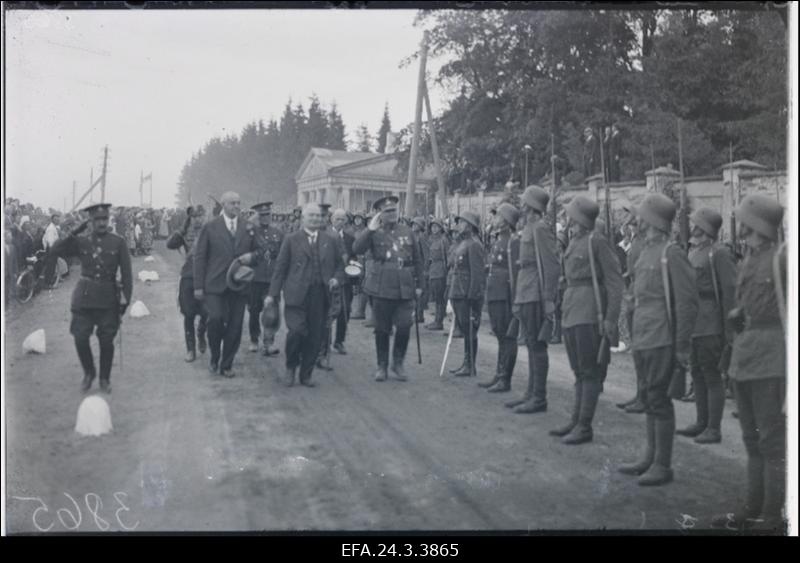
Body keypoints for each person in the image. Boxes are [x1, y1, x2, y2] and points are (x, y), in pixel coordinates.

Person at [712, 195, 786, 532]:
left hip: (772, 359)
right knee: (751, 439)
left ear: (754, 224)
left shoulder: (781, 260)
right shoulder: (748, 260)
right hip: (745, 357)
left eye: (742, 218)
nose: (736, 222)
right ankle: (751, 506)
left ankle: (772, 514)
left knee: (771, 441)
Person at [617, 193, 697, 486]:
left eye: (640, 216)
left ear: (651, 220)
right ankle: (649, 456)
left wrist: (682, 347)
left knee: (660, 400)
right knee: (650, 397)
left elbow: (687, 303)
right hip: (644, 334)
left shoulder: (671, 253)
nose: (635, 220)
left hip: (663, 336)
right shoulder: (646, 251)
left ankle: (662, 465)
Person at [549, 196, 623, 444]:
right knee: (578, 370)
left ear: (579, 218)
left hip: (590, 311)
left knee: (589, 371)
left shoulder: (597, 241)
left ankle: (584, 426)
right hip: (572, 308)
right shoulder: (575, 241)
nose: (567, 218)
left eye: (571, 215)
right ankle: (576, 419)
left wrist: (611, 319)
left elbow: (614, 283)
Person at [50, 203, 132, 393]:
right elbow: (55, 250)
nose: (101, 223)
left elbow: (127, 275)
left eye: (104, 219)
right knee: (79, 337)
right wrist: (76, 230)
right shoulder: (82, 241)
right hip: (84, 298)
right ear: (91, 221)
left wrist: (125, 301)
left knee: (106, 341)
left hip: (108, 299)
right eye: (97, 220)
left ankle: (104, 378)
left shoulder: (118, 242)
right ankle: (89, 373)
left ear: (109, 219)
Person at [266, 203, 344, 388]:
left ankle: (306, 374)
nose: (316, 219)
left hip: (320, 295)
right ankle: (291, 368)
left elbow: (341, 265)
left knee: (315, 336)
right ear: (303, 218)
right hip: (296, 295)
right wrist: (273, 294)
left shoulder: (330, 240)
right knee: (296, 332)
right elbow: (280, 269)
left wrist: (336, 279)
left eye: (318, 216)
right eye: (312, 216)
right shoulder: (291, 239)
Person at [676, 208, 736, 444]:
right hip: (694, 321)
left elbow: (729, 292)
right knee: (698, 373)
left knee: (711, 375)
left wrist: (729, 330)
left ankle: (713, 427)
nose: (692, 228)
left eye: (696, 224)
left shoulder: (718, 253)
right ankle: (701, 422)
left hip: (711, 322)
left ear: (705, 228)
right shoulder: (694, 251)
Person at [353, 196, 423, 382]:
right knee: (382, 329)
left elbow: (417, 260)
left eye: (393, 210)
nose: (392, 214)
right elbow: (357, 249)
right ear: (379, 214)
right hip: (382, 287)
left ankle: (397, 363)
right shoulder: (374, 232)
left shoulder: (407, 232)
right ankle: (382, 365)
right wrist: (369, 229)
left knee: (404, 326)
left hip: (404, 287)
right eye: (387, 211)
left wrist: (420, 286)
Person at [193, 191, 260, 378]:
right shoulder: (210, 227)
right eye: (232, 203)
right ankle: (215, 356)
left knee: (236, 325)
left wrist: (252, 257)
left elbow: (261, 252)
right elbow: (199, 257)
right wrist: (198, 286)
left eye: (239, 203)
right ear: (223, 205)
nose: (237, 206)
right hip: (214, 285)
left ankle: (227, 363)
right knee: (215, 319)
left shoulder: (248, 227)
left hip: (239, 286)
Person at [505, 186, 560, 414]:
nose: (521, 203)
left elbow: (551, 265)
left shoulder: (540, 229)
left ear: (531, 205)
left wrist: (548, 299)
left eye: (524, 200)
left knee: (537, 345)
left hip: (536, 293)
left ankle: (539, 397)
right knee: (529, 343)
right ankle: (530, 393)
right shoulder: (528, 227)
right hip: (526, 290)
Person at [479, 203, 520, 392]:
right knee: (499, 334)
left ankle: (505, 378)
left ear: (506, 221)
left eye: (497, 216)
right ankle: (499, 373)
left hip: (505, 295)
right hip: (495, 292)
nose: (494, 220)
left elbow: (515, 273)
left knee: (507, 336)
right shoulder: (499, 240)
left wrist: (514, 300)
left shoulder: (513, 241)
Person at [166, 205, 208, 362]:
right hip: (188, 276)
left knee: (207, 312)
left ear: (204, 216)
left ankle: (201, 333)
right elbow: (170, 244)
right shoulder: (185, 233)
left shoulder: (210, 231)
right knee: (188, 313)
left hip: (206, 277)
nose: (197, 219)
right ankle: (190, 349)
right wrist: (182, 229)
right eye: (194, 217)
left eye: (200, 216)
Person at [447, 211, 486, 378]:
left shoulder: (474, 245)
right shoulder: (463, 243)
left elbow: (477, 274)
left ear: (470, 226)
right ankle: (466, 363)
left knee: (470, 330)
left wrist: (472, 296)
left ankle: (470, 365)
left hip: (466, 294)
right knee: (465, 328)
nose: (459, 225)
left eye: (462, 222)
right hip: (458, 291)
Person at [617, 203, 647, 412]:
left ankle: (644, 397)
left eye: (631, 218)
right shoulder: (635, 240)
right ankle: (640, 393)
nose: (628, 221)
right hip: (632, 295)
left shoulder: (645, 242)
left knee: (643, 351)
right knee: (637, 350)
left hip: (641, 297)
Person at [246, 202, 284, 356]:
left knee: (272, 312)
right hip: (255, 278)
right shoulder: (251, 233)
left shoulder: (278, 232)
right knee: (254, 311)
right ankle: (254, 339)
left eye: (267, 214)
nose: (265, 217)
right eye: (261, 215)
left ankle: (268, 343)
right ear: (257, 216)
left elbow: (283, 255)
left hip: (271, 279)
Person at [331, 208, 355, 355]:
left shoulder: (350, 239)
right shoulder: (325, 236)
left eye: (342, 219)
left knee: (344, 311)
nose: (340, 221)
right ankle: (323, 342)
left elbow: (353, 258)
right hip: (329, 279)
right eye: (337, 219)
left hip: (345, 281)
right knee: (327, 311)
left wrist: (352, 263)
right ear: (332, 220)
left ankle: (339, 341)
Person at [425, 218, 450, 331]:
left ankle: (439, 321)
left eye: (436, 226)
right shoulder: (432, 240)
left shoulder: (443, 240)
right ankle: (436, 320)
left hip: (440, 271)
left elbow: (446, 258)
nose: (434, 228)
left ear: (441, 228)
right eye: (432, 226)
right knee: (436, 297)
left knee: (440, 297)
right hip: (433, 270)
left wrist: (445, 272)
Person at [411, 217, 430, 325]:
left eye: (416, 224)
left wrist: (425, 269)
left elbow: (426, 255)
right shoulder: (413, 237)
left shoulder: (422, 238)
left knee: (420, 292)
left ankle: (420, 314)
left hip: (420, 268)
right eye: (413, 224)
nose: (414, 226)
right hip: (414, 268)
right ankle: (417, 313)